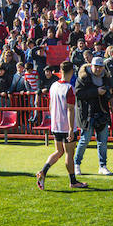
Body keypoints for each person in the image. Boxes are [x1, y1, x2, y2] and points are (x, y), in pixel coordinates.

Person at [37, 61, 88, 191]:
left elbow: (50, 106)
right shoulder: (69, 88)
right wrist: (71, 129)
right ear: (71, 71)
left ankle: (43, 171)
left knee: (58, 151)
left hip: (56, 124)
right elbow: (70, 109)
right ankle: (73, 181)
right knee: (68, 154)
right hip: (66, 125)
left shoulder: (53, 86)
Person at [73, 56, 113, 176]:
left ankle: (103, 166)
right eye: (96, 66)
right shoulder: (83, 77)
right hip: (87, 114)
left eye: (100, 67)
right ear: (91, 66)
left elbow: (111, 93)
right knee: (84, 140)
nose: (98, 69)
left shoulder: (106, 78)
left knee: (103, 142)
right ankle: (76, 164)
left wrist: (107, 93)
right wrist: (96, 92)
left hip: (102, 112)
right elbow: (78, 93)